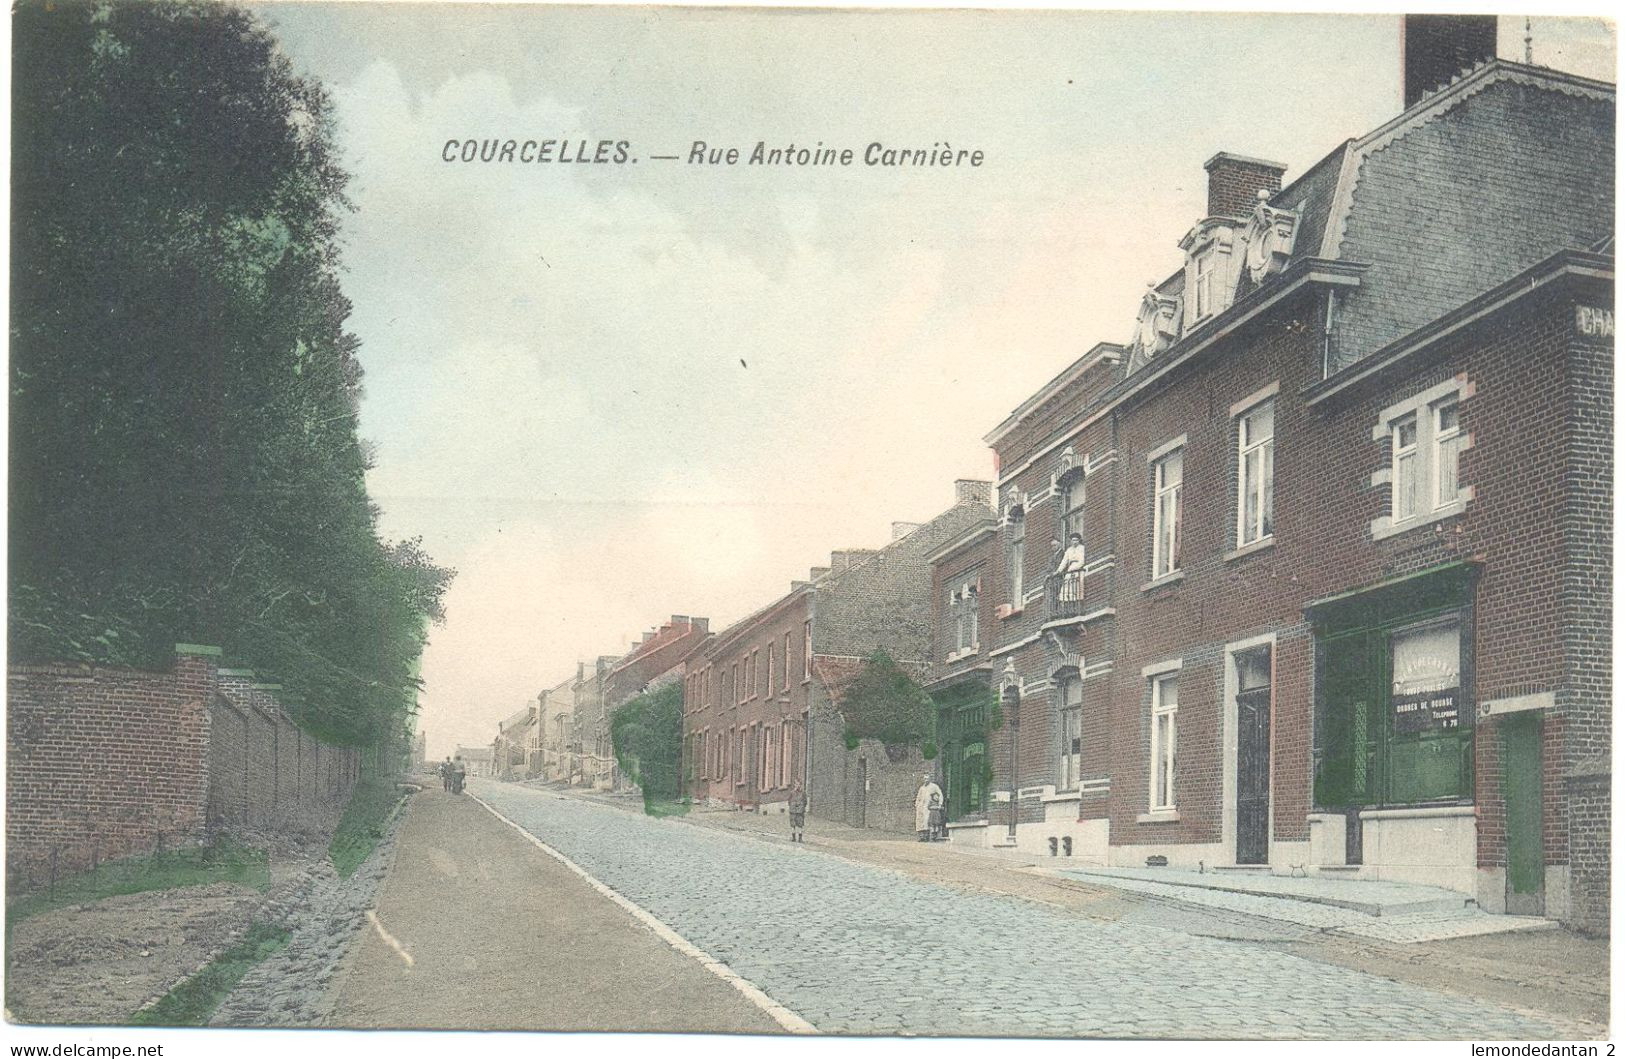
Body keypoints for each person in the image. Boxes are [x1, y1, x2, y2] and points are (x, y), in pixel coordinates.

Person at [1055, 532, 1086, 602]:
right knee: (1067, 585)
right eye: (1073, 540)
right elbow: (1064, 561)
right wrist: (1058, 571)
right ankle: (1067, 601)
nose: (1074, 542)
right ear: (1071, 541)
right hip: (1070, 569)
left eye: (1076, 540)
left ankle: (1078, 600)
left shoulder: (1082, 548)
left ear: (1079, 540)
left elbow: (1082, 560)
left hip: (1078, 569)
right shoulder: (1069, 550)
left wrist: (1074, 568)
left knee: (1078, 586)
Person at [915, 773, 944, 842]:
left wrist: (939, 804)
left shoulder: (934, 786)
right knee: (920, 821)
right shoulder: (922, 788)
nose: (926, 780)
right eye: (925, 779)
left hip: (929, 807)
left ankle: (927, 837)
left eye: (927, 778)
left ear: (930, 779)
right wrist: (917, 804)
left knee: (927, 821)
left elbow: (940, 795)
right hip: (921, 807)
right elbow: (918, 797)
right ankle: (921, 837)